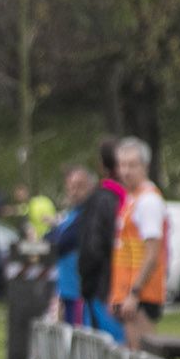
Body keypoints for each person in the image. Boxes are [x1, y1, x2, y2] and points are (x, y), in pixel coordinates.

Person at [110, 136, 169, 351]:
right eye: (122, 165)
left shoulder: (148, 201)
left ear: (145, 166)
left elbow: (152, 252)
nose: (125, 171)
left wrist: (134, 293)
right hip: (129, 294)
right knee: (131, 357)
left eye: (132, 165)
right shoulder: (131, 198)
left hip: (142, 295)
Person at [77, 136, 127, 342]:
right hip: (125, 288)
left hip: (103, 289)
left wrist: (87, 286)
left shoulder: (101, 200)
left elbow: (92, 248)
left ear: (102, 166)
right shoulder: (130, 199)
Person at [47, 166, 95, 328]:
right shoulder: (71, 215)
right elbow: (52, 237)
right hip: (65, 288)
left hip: (78, 291)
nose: (75, 191)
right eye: (71, 187)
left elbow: (62, 242)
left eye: (80, 186)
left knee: (78, 336)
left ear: (90, 187)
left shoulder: (89, 214)